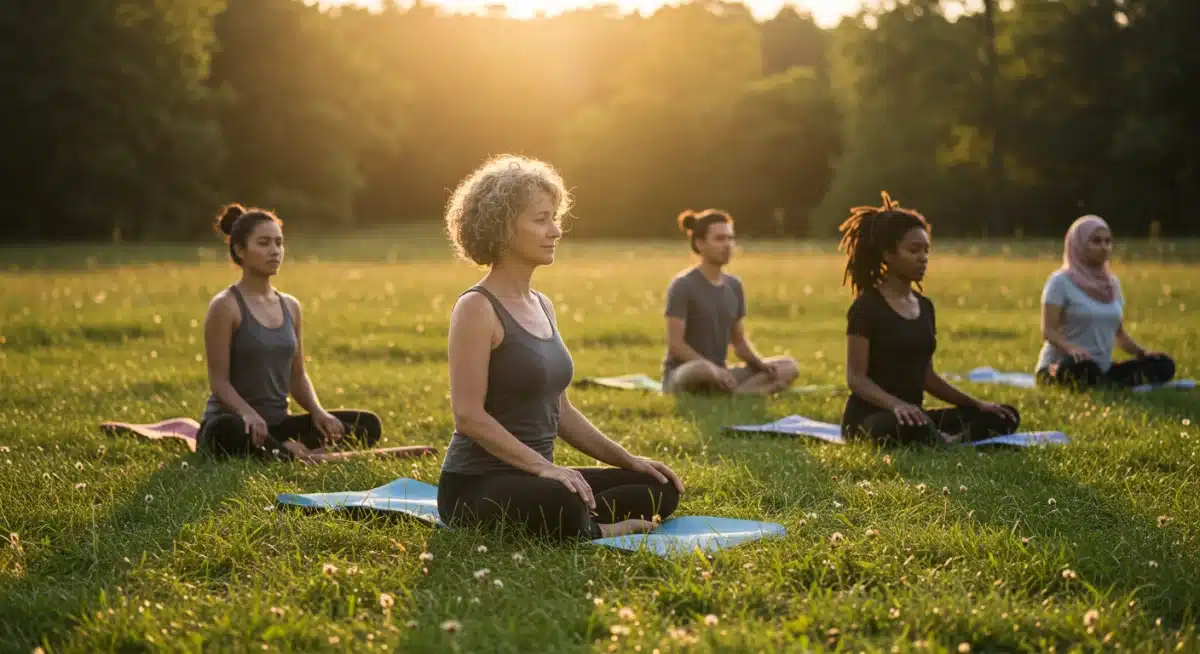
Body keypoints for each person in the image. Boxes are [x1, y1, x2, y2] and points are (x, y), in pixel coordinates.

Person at [438, 154, 683, 541]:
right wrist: (544, 468)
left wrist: (629, 461)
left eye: (554, 218)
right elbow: (468, 416)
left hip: (537, 479)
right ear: (502, 229)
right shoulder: (476, 308)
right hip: (475, 485)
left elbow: (561, 412)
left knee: (658, 488)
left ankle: (582, 521)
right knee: (562, 500)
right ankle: (598, 529)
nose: (555, 231)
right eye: (541, 220)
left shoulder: (543, 305)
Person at [198, 204, 382, 461]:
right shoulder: (225, 306)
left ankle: (284, 450)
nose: (274, 251)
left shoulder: (290, 306)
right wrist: (248, 414)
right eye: (264, 243)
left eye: (279, 243)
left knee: (368, 424)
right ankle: (291, 452)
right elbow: (219, 382)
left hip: (277, 424)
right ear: (240, 250)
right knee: (226, 431)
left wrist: (318, 412)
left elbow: (297, 376)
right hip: (237, 423)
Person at [838, 192, 1021, 445]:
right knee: (909, 426)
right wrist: (897, 406)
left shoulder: (925, 307)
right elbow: (856, 379)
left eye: (926, 250)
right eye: (913, 250)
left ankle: (946, 440)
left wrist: (977, 404)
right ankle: (944, 441)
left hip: (914, 416)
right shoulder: (865, 307)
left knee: (1005, 415)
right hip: (872, 418)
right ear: (887, 255)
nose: (923, 258)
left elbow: (927, 377)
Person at [661, 209, 799, 394]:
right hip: (686, 372)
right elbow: (676, 345)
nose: (727, 245)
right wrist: (713, 369)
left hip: (721, 372)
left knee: (788, 366)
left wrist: (759, 364)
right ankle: (749, 390)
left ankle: (738, 394)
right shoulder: (682, 285)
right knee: (703, 370)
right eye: (719, 239)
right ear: (700, 244)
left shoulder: (734, 286)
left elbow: (739, 342)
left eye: (730, 238)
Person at [1036, 215, 1175, 387]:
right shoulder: (1059, 281)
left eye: (1108, 241)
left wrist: (1142, 353)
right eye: (1096, 241)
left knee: (1163, 364)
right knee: (1081, 369)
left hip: (1103, 367)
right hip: (1062, 366)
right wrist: (1071, 349)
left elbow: (1119, 334)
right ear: (1078, 244)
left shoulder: (1112, 284)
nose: (1104, 247)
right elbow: (1048, 331)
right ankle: (1106, 382)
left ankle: (1104, 380)